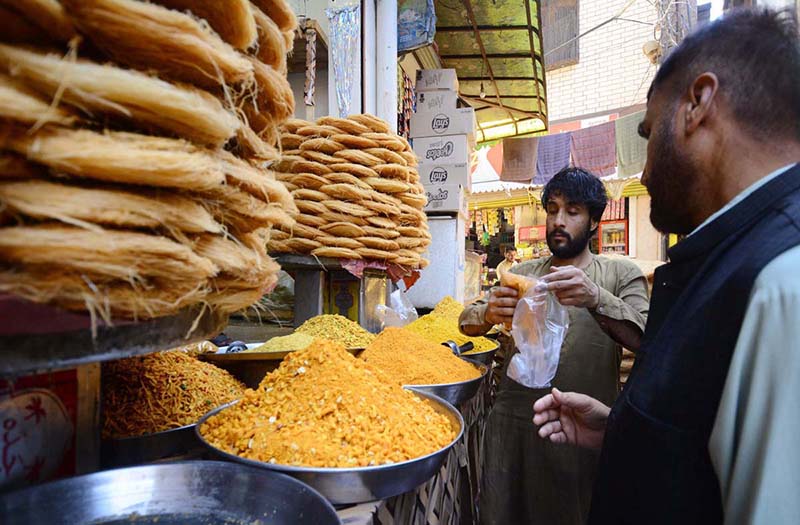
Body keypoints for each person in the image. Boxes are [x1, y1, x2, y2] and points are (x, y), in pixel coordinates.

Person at [533, 8, 800, 524]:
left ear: (697, 105)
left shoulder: (783, 277)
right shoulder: (724, 255)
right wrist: (625, 433)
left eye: (650, 133)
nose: (647, 169)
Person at [460, 167, 650, 525]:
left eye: (572, 211)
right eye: (552, 209)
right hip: (515, 426)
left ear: (594, 221)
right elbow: (465, 320)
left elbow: (646, 340)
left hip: (579, 429)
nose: (558, 221)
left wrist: (595, 298)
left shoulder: (619, 275)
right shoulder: (525, 273)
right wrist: (488, 313)